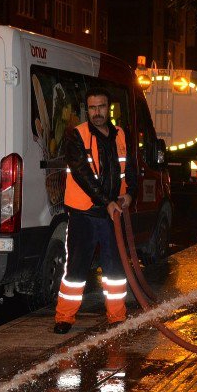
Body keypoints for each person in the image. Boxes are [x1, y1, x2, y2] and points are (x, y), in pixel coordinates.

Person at [52, 88, 137, 334]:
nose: (97, 112)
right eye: (92, 108)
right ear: (86, 110)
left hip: (114, 214)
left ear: (108, 108)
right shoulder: (76, 135)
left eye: (101, 107)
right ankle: (64, 317)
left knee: (115, 270)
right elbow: (83, 175)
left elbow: (130, 169)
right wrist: (105, 201)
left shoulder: (121, 134)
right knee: (76, 268)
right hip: (84, 214)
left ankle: (117, 317)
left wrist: (130, 193)